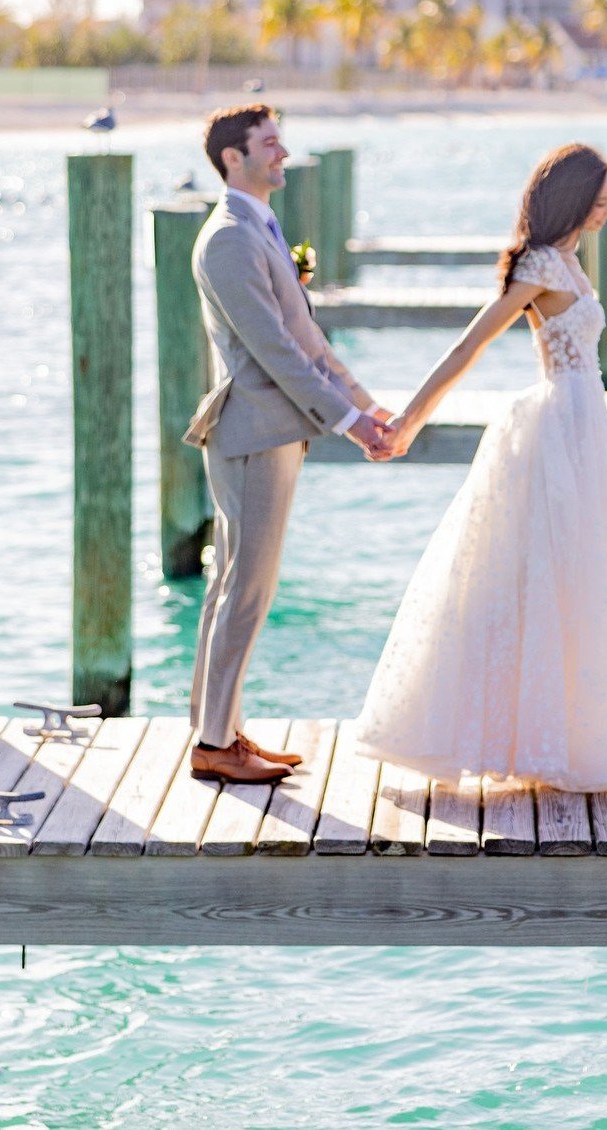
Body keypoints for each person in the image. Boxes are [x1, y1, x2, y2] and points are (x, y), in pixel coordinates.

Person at [354, 143, 607, 791]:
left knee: (576, 583)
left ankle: (564, 739)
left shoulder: (571, 262)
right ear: (574, 201)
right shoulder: (541, 264)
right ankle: (488, 734)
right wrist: (409, 420)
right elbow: (472, 342)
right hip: (555, 428)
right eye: (601, 202)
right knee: (525, 578)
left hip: (585, 427)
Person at [184, 104, 394, 785]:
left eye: (280, 141)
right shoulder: (227, 239)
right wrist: (345, 421)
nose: (282, 153)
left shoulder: (259, 229)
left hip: (271, 432)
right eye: (268, 144)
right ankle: (216, 745)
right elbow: (274, 350)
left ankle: (219, 730)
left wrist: (362, 402)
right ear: (231, 159)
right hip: (251, 432)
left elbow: (307, 338)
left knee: (235, 585)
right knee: (244, 587)